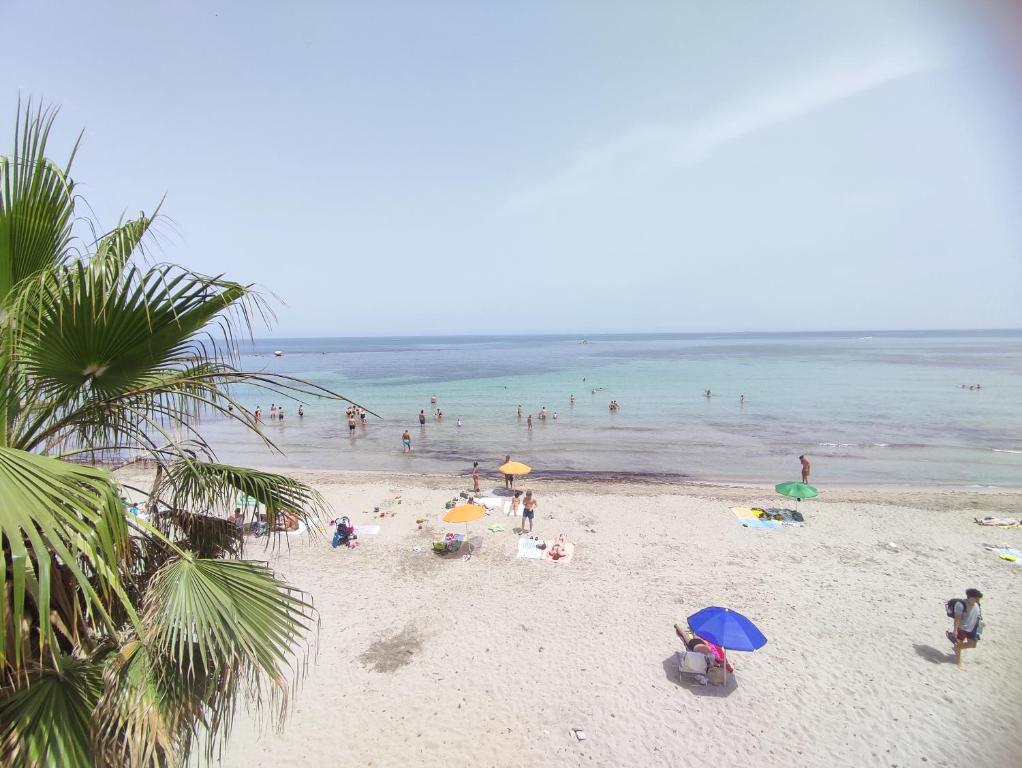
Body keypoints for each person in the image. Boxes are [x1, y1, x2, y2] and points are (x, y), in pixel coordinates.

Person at [949, 588, 983, 669]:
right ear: (971, 597)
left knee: (973, 644)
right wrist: (955, 630)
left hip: (973, 627)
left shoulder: (977, 604)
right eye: (977, 598)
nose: (978, 600)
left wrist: (980, 626)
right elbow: (957, 618)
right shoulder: (960, 605)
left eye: (979, 598)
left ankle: (956, 647)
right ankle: (958, 662)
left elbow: (978, 615)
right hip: (962, 628)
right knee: (959, 644)